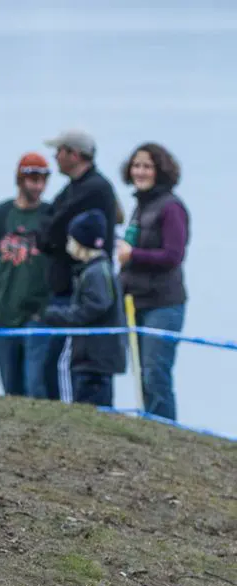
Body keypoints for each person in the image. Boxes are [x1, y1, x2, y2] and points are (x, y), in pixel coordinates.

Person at [38, 129, 118, 402]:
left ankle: (71, 410)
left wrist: (50, 237)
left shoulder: (94, 188)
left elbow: (53, 229)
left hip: (78, 286)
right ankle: (64, 409)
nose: (55, 157)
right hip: (65, 282)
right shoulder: (72, 187)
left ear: (74, 154)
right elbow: (47, 225)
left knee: (73, 363)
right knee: (57, 362)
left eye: (58, 151)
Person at [116, 143, 190, 421]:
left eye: (147, 166)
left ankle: (167, 433)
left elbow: (173, 255)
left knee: (155, 372)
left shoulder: (171, 207)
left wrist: (133, 254)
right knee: (141, 371)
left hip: (164, 303)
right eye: (136, 165)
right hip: (136, 301)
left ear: (160, 170)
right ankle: (149, 428)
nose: (140, 171)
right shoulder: (140, 206)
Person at [0, 152, 53, 398]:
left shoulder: (51, 216)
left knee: (36, 383)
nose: (38, 185)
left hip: (39, 312)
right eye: (33, 178)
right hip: (5, 312)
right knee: (11, 386)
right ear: (20, 179)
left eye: (43, 179)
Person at [38, 210, 126, 406]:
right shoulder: (96, 270)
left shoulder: (95, 273)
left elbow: (91, 309)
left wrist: (52, 315)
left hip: (94, 359)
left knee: (90, 405)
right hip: (96, 358)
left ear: (81, 243)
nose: (68, 243)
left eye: (71, 238)